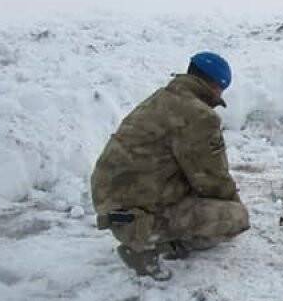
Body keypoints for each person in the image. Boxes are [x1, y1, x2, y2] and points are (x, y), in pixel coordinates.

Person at [91, 52, 251, 280]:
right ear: (216, 86)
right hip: (134, 215)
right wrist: (232, 203)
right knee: (235, 217)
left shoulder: (163, 98)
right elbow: (211, 178)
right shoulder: (199, 115)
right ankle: (153, 247)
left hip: (112, 203)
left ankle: (145, 234)